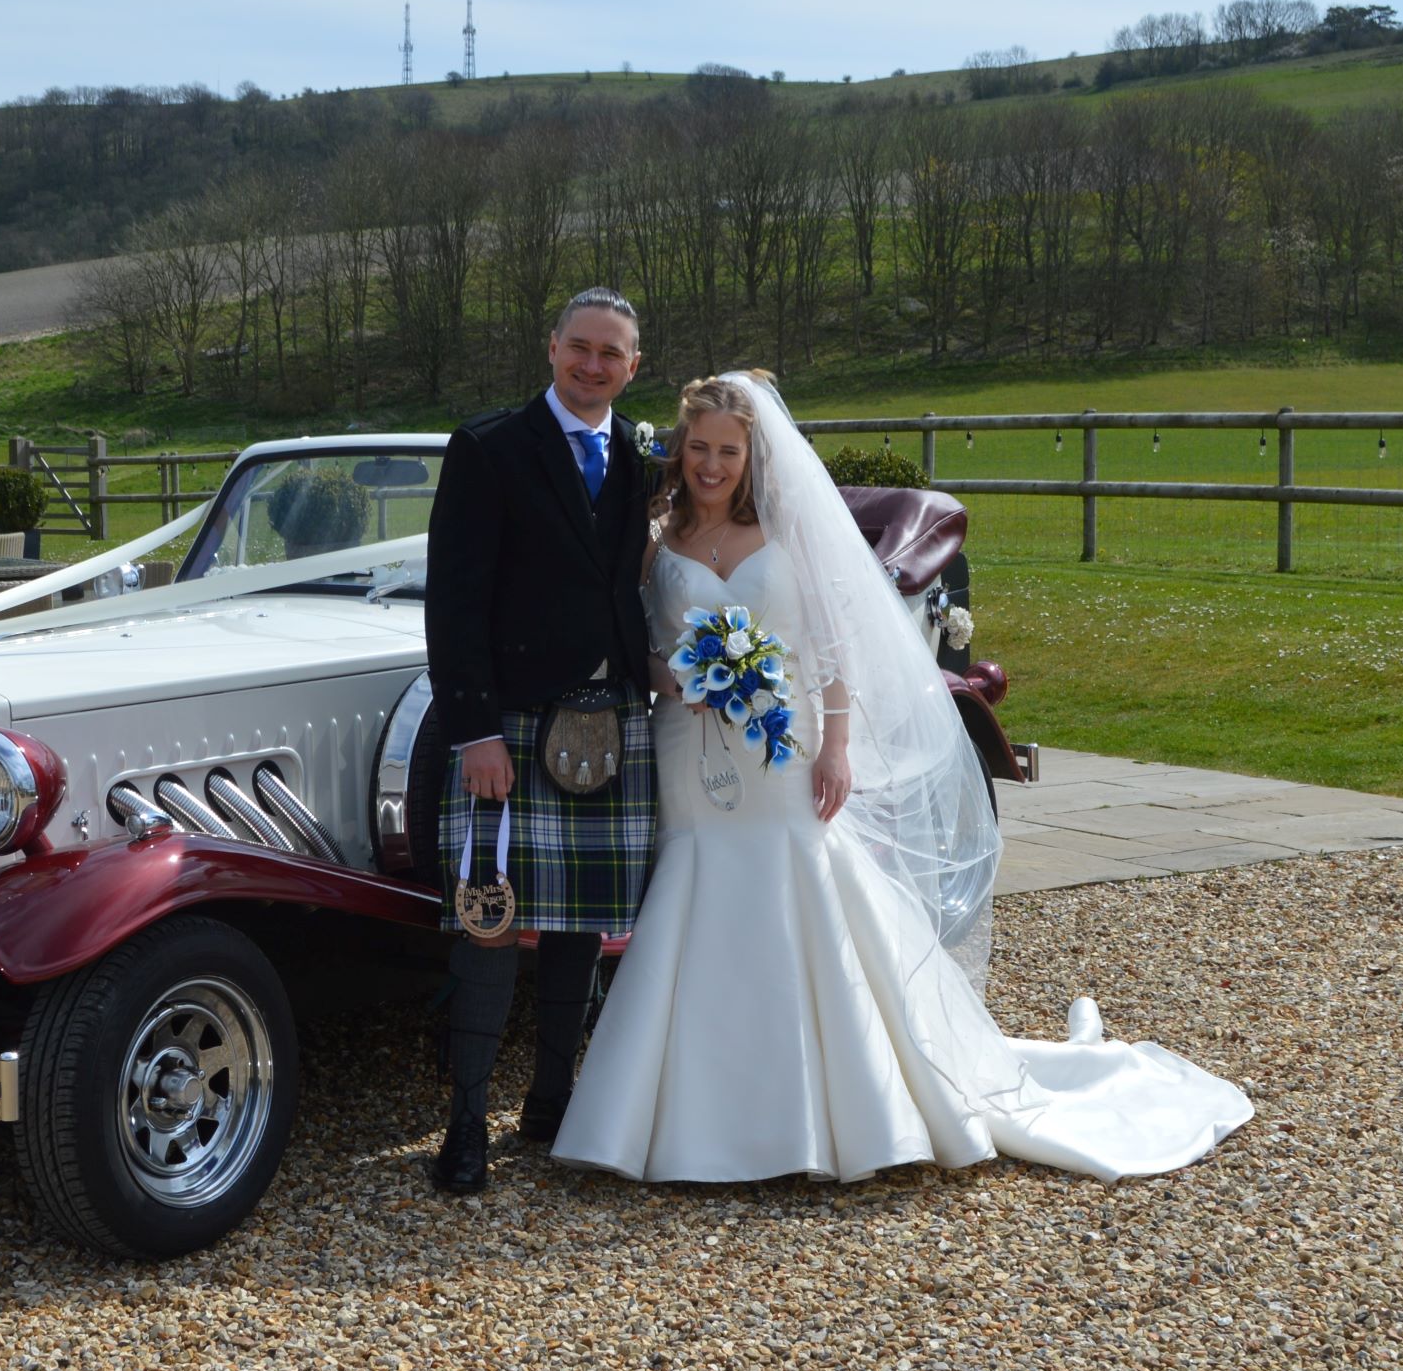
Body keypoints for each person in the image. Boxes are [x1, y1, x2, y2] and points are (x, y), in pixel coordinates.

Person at [552, 372, 1253, 1184]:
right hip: (690, 747)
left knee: (796, 893)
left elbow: (830, 644)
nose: (712, 464)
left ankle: (832, 1114)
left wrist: (836, 745)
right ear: (682, 449)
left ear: (753, 456)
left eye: (728, 450)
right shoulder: (656, 534)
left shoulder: (784, 528)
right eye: (700, 448)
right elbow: (634, 637)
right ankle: (680, 1119)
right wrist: (670, 676)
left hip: (785, 750)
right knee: (692, 897)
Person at [422, 287, 659, 1195]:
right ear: (551, 346)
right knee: (492, 917)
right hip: (512, 724)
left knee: (582, 923)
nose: (593, 365)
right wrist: (475, 727)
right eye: (580, 348)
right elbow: (454, 599)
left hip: (613, 716)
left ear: (633, 366)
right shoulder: (488, 448)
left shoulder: (640, 452)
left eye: (613, 354)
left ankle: (552, 1105)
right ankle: (466, 1125)